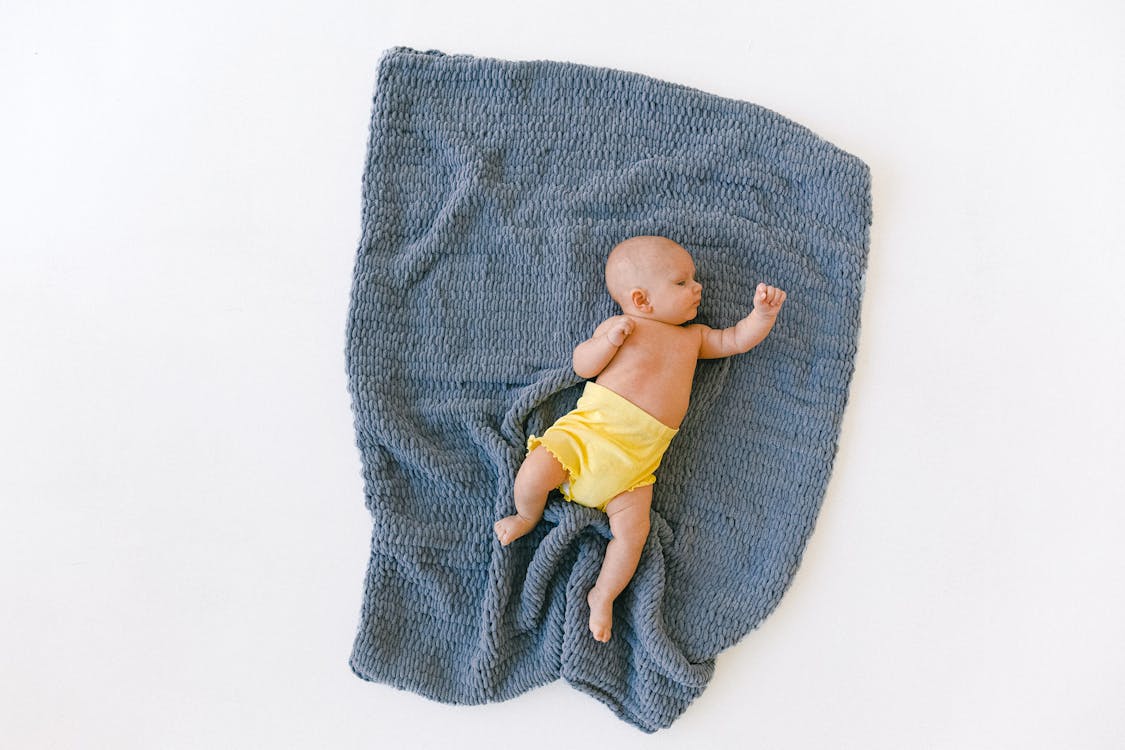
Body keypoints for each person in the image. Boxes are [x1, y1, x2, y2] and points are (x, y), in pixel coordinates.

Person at [494, 235, 788, 642]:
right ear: (642, 299)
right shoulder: (623, 328)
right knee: (532, 473)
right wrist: (605, 342)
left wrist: (762, 315)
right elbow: (582, 366)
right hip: (585, 439)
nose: (697, 287)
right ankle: (525, 516)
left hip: (634, 468)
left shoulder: (694, 338)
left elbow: (735, 339)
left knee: (633, 535)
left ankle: (603, 594)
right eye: (682, 282)